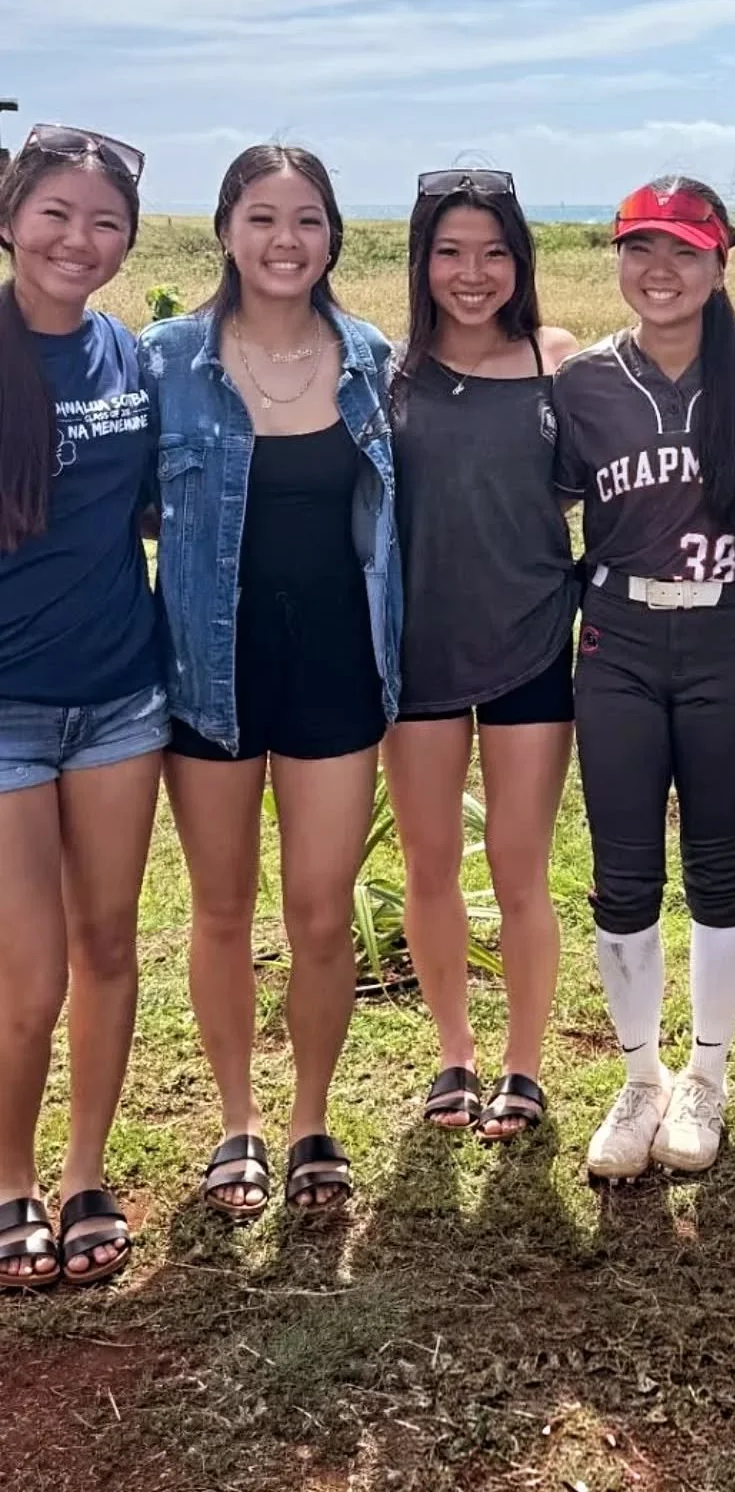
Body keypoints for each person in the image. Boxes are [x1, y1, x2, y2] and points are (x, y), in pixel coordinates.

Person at [143, 145, 401, 1219]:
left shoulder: (368, 358)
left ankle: (309, 1120)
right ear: (224, 231)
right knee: (219, 908)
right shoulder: (165, 360)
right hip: (209, 671)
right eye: (262, 218)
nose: (285, 240)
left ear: (333, 235)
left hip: (337, 669)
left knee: (322, 914)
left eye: (306, 220)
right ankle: (237, 1123)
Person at [552, 177, 735, 1180]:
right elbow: (549, 505)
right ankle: (640, 1076)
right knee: (621, 869)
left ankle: (708, 1074)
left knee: (718, 863)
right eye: (639, 249)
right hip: (615, 633)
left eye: (684, 252)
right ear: (616, 259)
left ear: (719, 264)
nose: (660, 271)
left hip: (728, 633)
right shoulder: (583, 383)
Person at [0, 125, 167, 1291]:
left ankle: (86, 1172)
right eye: (57, 213)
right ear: (12, 218)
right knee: (31, 975)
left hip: (121, 696)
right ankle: (9, 1177)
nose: (80, 240)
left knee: (110, 944)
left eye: (105, 221)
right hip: (5, 707)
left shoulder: (132, 356)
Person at [386, 169, 578, 1139]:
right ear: (421, 261)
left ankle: (524, 1065)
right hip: (415, 657)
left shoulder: (556, 363)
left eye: (494, 251)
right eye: (451, 251)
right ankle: (453, 1055)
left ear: (522, 261)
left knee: (518, 864)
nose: (473, 273)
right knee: (429, 863)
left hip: (532, 646)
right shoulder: (385, 374)